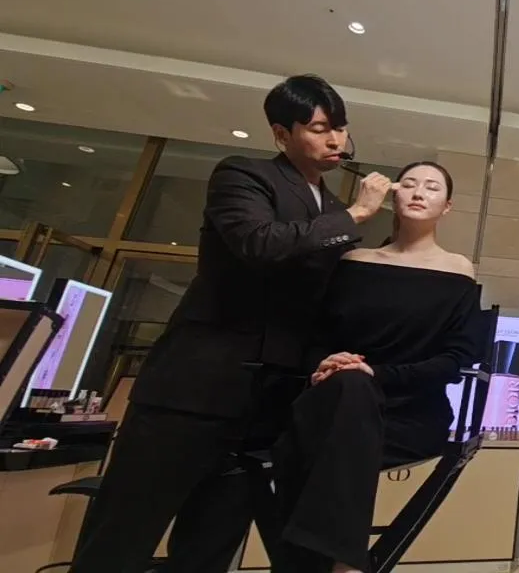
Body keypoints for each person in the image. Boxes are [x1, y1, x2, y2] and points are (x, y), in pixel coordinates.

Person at [70, 75, 396, 573]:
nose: (336, 140)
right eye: (319, 128)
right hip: (190, 394)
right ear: (281, 134)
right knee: (121, 538)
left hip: (265, 407)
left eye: (341, 128)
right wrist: (357, 214)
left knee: (211, 546)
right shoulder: (245, 175)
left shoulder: (330, 209)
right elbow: (259, 243)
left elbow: (316, 303)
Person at [270, 161, 482, 573]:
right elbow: (317, 336)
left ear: (447, 206)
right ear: (392, 195)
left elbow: (456, 359)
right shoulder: (354, 260)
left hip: (409, 414)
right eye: (410, 184)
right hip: (336, 401)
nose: (419, 193)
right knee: (344, 396)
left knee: (320, 432)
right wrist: (328, 362)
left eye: (432, 187)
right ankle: (345, 564)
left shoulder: (458, 271)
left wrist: (376, 374)